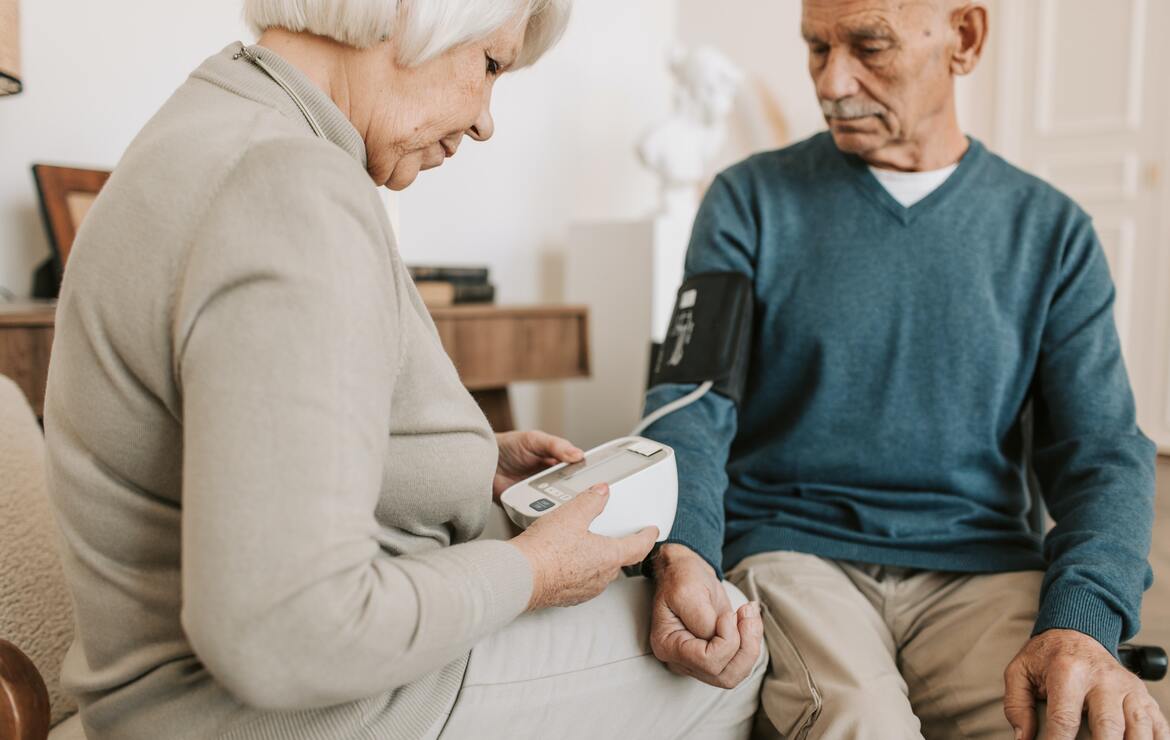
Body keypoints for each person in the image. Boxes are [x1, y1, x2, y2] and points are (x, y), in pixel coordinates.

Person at [42, 1, 765, 738]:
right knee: (734, 663)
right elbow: (280, 630)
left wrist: (456, 462)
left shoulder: (220, 121)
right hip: (281, 715)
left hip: (176, 696)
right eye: (489, 65)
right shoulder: (290, 188)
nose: (486, 120)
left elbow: (251, 439)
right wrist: (534, 573)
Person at [639, 1, 1170, 738]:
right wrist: (686, 547)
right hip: (797, 549)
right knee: (862, 723)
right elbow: (690, 398)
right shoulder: (748, 201)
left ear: (965, 37)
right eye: (816, 48)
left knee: (1080, 722)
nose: (832, 80)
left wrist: (1085, 619)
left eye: (868, 46)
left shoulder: (1051, 233)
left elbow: (1102, 452)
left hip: (979, 567)